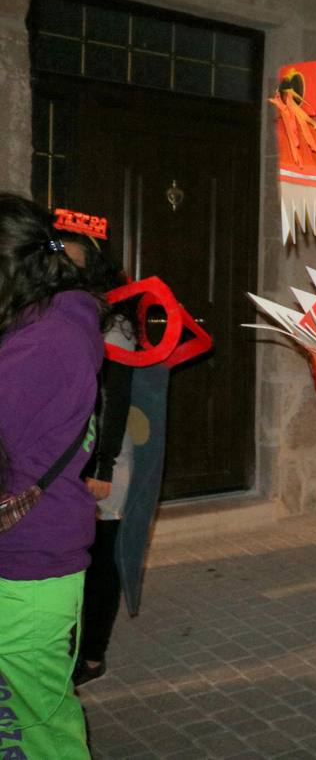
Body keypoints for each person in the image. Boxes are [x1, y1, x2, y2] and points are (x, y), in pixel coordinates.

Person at [0, 193, 106, 758]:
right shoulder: (43, 324)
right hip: (30, 553)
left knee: (31, 729)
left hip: (28, 561)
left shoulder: (42, 340)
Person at [61, 231, 136, 687]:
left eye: (73, 260)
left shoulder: (112, 321)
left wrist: (102, 466)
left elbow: (114, 396)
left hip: (104, 455)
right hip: (73, 452)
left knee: (101, 553)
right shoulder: (65, 311)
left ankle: (91, 655)